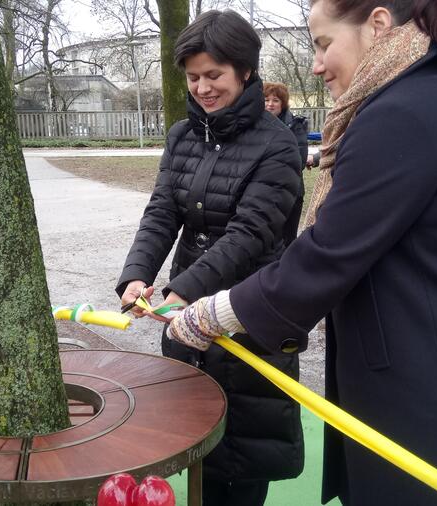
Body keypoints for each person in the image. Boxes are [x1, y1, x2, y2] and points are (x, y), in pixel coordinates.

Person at [166, 1, 437, 504]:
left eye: (323, 43)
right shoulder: (422, 96)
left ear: (377, 26)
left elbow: (328, 254)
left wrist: (214, 313)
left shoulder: (402, 113)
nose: (315, 63)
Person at [116, 10, 304, 506]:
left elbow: (250, 233)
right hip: (187, 313)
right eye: (193, 76)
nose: (202, 87)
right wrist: (137, 275)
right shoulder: (182, 135)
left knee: (241, 454)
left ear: (245, 71)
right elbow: (162, 210)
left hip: (249, 313)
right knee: (194, 437)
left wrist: (185, 289)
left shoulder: (278, 146)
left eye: (214, 75)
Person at [264, 81, 307, 245]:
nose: (270, 104)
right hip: (264, 193)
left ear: (283, 103)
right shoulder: (253, 127)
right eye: (266, 100)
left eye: (275, 100)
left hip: (291, 193)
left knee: (287, 241)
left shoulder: (296, 125)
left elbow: (299, 160)